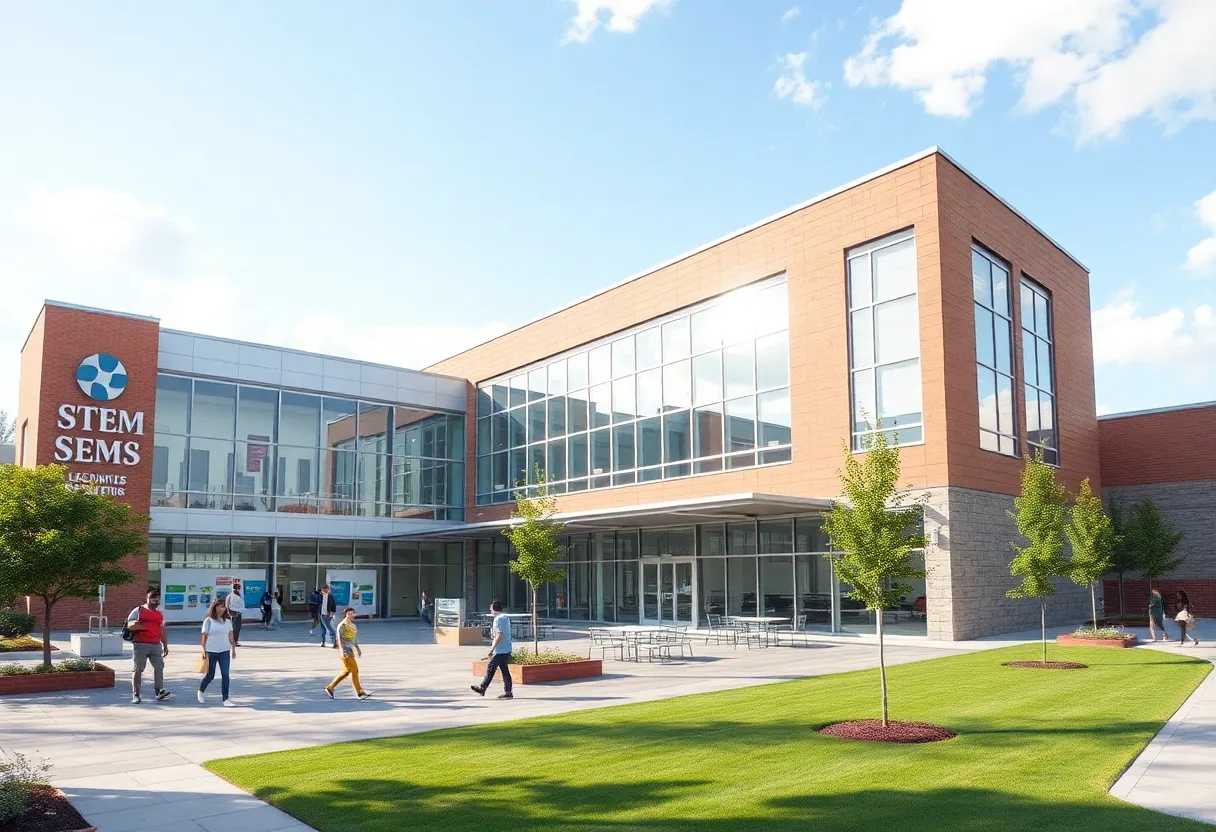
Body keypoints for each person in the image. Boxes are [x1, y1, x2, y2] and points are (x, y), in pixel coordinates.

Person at [127, 588, 172, 704]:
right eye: (153, 597)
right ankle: (136, 695)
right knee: (138, 669)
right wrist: (138, 626)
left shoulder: (159, 614)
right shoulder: (139, 610)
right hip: (140, 644)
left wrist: (165, 645)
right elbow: (129, 624)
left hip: (156, 645)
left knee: (159, 667)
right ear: (147, 598)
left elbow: (162, 630)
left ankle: (159, 692)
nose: (155, 599)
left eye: (157, 597)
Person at [325, 607, 372, 700]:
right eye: (349, 613)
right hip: (345, 651)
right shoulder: (342, 625)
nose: (351, 615)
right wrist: (342, 651)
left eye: (352, 613)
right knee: (354, 670)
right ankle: (359, 691)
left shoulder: (353, 625)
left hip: (350, 649)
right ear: (346, 614)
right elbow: (339, 639)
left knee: (346, 671)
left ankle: (330, 687)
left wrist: (357, 648)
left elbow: (353, 639)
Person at [198, 597, 237, 706]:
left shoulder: (228, 621)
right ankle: (201, 690)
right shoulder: (209, 620)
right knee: (210, 675)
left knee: (225, 675)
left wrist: (233, 649)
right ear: (214, 607)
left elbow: (231, 636)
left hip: (224, 650)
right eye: (220, 606)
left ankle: (226, 699)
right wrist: (204, 650)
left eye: (224, 607)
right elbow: (204, 636)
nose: (222, 609)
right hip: (211, 651)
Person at [471, 600, 513, 700]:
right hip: (507, 648)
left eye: (491, 608)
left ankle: (482, 687)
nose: (490, 610)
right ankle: (508, 691)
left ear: (494, 609)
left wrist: (492, 650)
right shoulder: (506, 617)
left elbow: (499, 634)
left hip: (500, 649)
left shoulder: (498, 619)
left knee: (491, 668)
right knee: (504, 671)